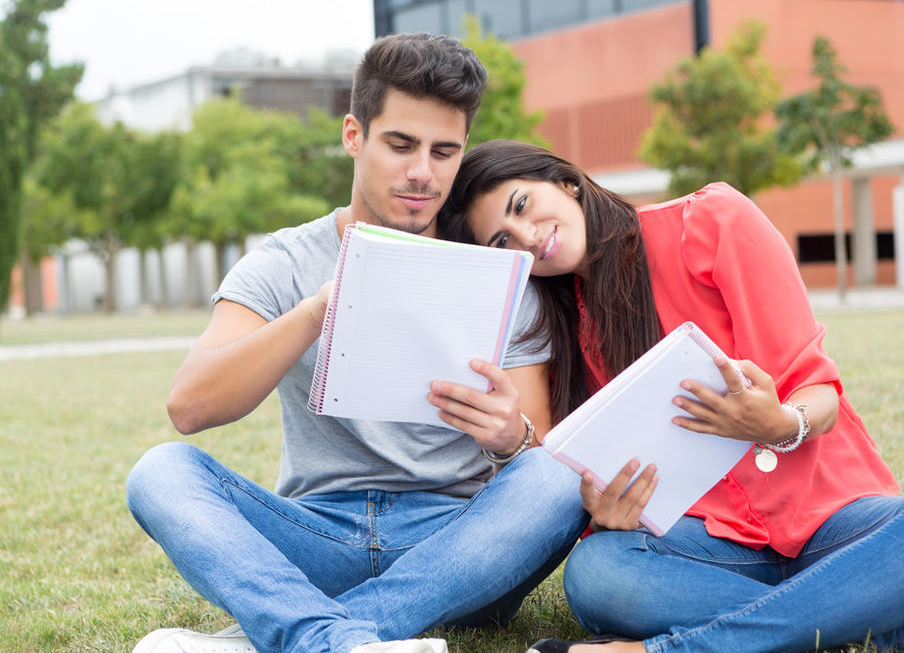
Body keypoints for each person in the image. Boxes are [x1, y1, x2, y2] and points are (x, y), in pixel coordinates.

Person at [437, 139, 904, 653]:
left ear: (564, 181)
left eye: (520, 206)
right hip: (712, 543)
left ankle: (673, 650)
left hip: (832, 522)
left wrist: (780, 422)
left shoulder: (711, 220)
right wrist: (606, 513)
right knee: (598, 575)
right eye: (504, 241)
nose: (530, 236)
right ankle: (889, 626)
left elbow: (819, 391)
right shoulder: (560, 325)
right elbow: (594, 467)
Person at [126, 37, 589, 653]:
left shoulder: (496, 271)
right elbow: (191, 406)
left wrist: (512, 437)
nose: (422, 172)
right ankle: (338, 639)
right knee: (159, 471)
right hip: (317, 533)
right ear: (354, 135)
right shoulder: (284, 261)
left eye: (443, 151)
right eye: (401, 145)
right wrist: (320, 308)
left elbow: (538, 454)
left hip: (457, 547)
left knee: (558, 476)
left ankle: (290, 636)